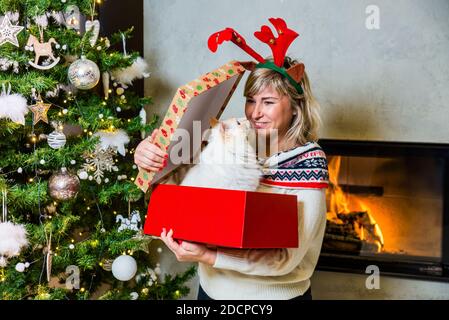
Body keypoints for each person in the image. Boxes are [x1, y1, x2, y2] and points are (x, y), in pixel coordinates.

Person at [134, 55, 329, 300]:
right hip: (210, 291)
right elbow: (182, 185)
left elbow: (285, 259)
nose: (255, 113)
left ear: (295, 106)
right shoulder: (232, 138)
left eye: (268, 102)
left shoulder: (308, 162)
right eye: (250, 101)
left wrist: (207, 256)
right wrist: (149, 156)